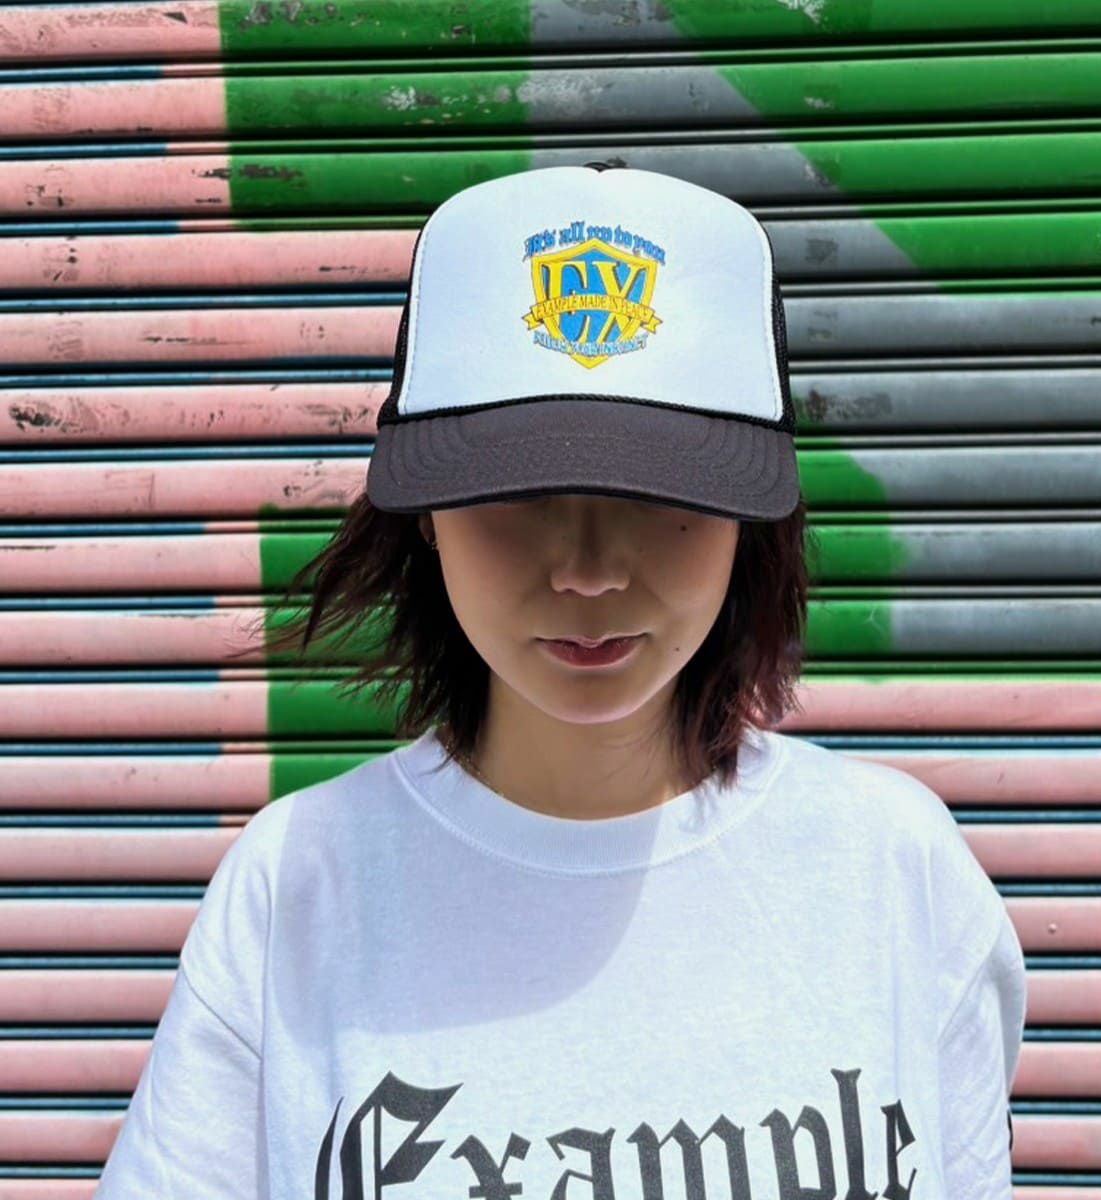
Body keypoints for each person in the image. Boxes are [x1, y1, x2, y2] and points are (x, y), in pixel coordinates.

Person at [94, 164, 1026, 1198]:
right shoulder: (301, 890)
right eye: (522, 494)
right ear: (427, 516)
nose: (588, 569)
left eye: (656, 495)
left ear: (747, 520)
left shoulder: (891, 872)